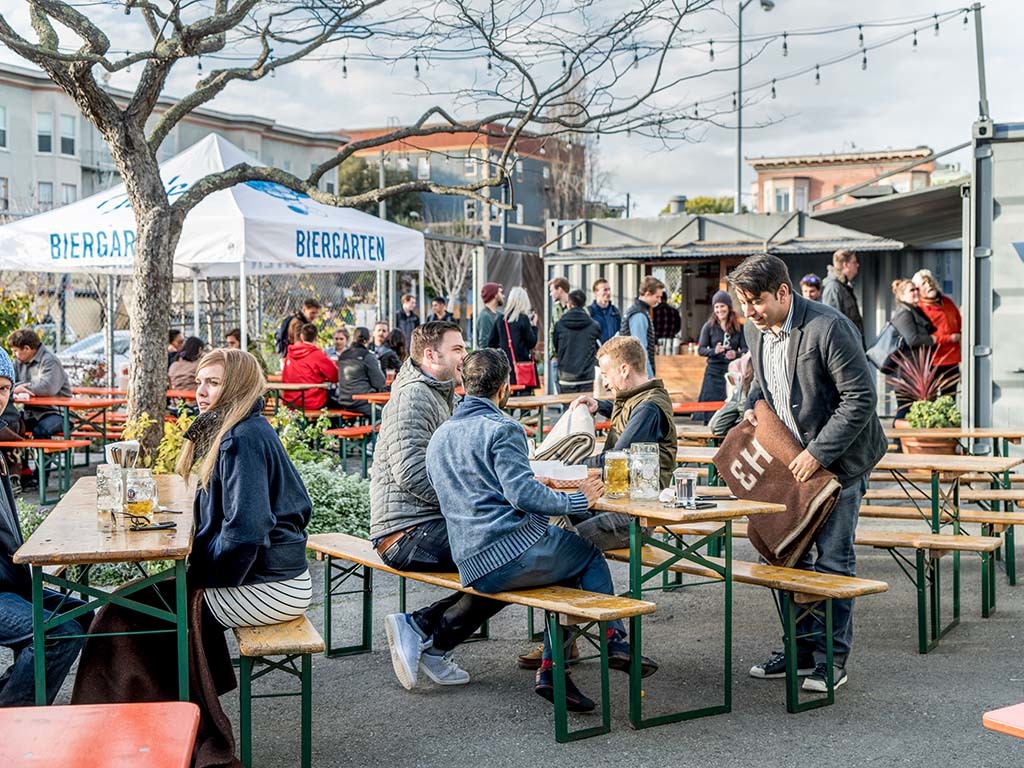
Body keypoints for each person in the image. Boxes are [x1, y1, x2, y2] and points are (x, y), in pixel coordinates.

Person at [426, 349, 656, 713]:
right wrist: (577, 501)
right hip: (507, 554)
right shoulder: (503, 428)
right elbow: (523, 494)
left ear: (462, 386)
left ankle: (554, 672)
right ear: (504, 389)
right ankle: (613, 640)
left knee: (563, 564)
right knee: (587, 554)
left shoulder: (441, 435)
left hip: (469, 562)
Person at [729, 253, 886, 694]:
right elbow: (762, 384)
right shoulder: (753, 329)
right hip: (790, 463)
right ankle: (799, 649)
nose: (749, 313)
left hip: (839, 463)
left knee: (833, 561)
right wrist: (744, 412)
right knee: (784, 555)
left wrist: (816, 454)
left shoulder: (829, 326)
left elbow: (860, 399)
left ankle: (831, 661)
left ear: (783, 292)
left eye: (755, 302)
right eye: (744, 304)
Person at [371, 322, 504, 690]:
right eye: (458, 349)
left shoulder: (440, 393)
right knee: (511, 556)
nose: (466, 356)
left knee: (512, 559)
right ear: (431, 355)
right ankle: (425, 631)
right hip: (404, 532)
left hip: (423, 524)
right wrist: (473, 499)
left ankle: (429, 636)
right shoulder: (414, 396)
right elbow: (412, 472)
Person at [176, 348, 312, 628]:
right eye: (199, 382)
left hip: (273, 587)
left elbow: (248, 527)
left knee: (131, 615)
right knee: (140, 603)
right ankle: (194, 673)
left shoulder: (241, 438)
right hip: (268, 577)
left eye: (213, 383)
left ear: (237, 386)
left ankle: (179, 673)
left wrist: (204, 580)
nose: (200, 392)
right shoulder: (239, 428)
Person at [0, 347, 88, 705]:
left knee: (82, 615)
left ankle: (12, 703)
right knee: (58, 633)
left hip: (10, 577)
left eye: (3, 388)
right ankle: (16, 723)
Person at [571, 336, 678, 550]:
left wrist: (567, 466)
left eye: (605, 374)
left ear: (624, 370)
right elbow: (629, 415)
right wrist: (600, 405)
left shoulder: (649, 407)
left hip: (635, 515)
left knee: (568, 543)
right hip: (618, 503)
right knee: (551, 522)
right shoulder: (639, 399)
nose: (605, 382)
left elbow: (615, 460)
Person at [7, 328, 72, 439]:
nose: (13, 355)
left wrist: (20, 387)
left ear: (27, 348)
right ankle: (16, 456)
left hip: (57, 413)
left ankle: (46, 457)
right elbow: (8, 383)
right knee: (8, 425)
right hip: (32, 413)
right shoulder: (18, 363)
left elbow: (47, 388)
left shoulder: (50, 361)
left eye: (15, 351)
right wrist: (16, 388)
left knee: (41, 430)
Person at [697, 290, 749, 423]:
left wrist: (735, 354)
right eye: (716, 307)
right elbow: (701, 350)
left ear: (729, 307)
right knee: (710, 403)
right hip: (713, 371)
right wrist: (715, 351)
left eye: (722, 306)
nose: (719, 310)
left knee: (729, 402)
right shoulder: (709, 327)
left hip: (730, 372)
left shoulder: (739, 327)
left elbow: (745, 348)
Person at [890, 279, 938, 418]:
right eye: (912, 290)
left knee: (915, 410)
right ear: (902, 296)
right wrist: (931, 340)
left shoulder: (914, 311)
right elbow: (912, 339)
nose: (916, 292)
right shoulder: (904, 313)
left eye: (916, 289)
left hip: (915, 370)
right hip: (907, 372)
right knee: (905, 409)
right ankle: (898, 439)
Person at [912, 269, 962, 397]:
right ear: (918, 289)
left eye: (930, 282)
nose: (929, 285)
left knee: (950, 399)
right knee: (930, 400)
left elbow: (959, 322)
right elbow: (922, 338)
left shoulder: (947, 302)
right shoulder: (919, 309)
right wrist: (948, 338)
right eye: (924, 284)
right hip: (933, 361)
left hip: (952, 359)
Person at [488, 286, 538, 393]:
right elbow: (531, 343)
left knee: (507, 399)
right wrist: (534, 326)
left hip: (506, 368)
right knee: (526, 400)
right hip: (522, 367)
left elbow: (491, 343)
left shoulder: (500, 320)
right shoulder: (523, 319)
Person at [281, 323, 339, 411]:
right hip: (313, 401)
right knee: (340, 407)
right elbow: (335, 376)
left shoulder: (290, 354)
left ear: (301, 336)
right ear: (316, 338)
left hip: (290, 401)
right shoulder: (317, 354)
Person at [552, 289, 600, 394]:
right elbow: (597, 347)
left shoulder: (559, 325)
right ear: (584, 304)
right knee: (587, 408)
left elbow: (556, 346)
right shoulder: (594, 325)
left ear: (569, 304)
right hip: (586, 377)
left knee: (568, 409)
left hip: (566, 377)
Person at [335, 327, 386, 416]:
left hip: (344, 401)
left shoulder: (343, 355)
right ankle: (374, 430)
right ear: (368, 340)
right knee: (388, 410)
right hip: (362, 402)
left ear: (354, 338)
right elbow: (380, 382)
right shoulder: (368, 356)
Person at [620, 275, 664, 378]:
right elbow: (641, 350)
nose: (659, 301)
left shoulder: (637, 310)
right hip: (636, 374)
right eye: (657, 297)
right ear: (647, 294)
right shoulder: (639, 315)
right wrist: (649, 377)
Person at [820, 250, 864, 341]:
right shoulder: (833, 288)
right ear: (846, 265)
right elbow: (832, 325)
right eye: (854, 262)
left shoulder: (844, 286)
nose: (857, 265)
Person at [547, 277, 571, 390]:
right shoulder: (556, 309)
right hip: (558, 357)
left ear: (560, 289)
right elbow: (552, 332)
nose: (551, 294)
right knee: (559, 389)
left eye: (552, 290)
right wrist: (552, 355)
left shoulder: (574, 307)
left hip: (571, 357)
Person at [589, 278, 621, 343]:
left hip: (612, 351)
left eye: (609, 289)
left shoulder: (615, 312)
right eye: (605, 290)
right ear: (596, 292)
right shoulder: (589, 313)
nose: (608, 293)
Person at [475, 282, 504, 349]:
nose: (503, 296)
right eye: (500, 293)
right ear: (495, 295)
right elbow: (485, 345)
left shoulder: (500, 315)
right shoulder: (485, 317)